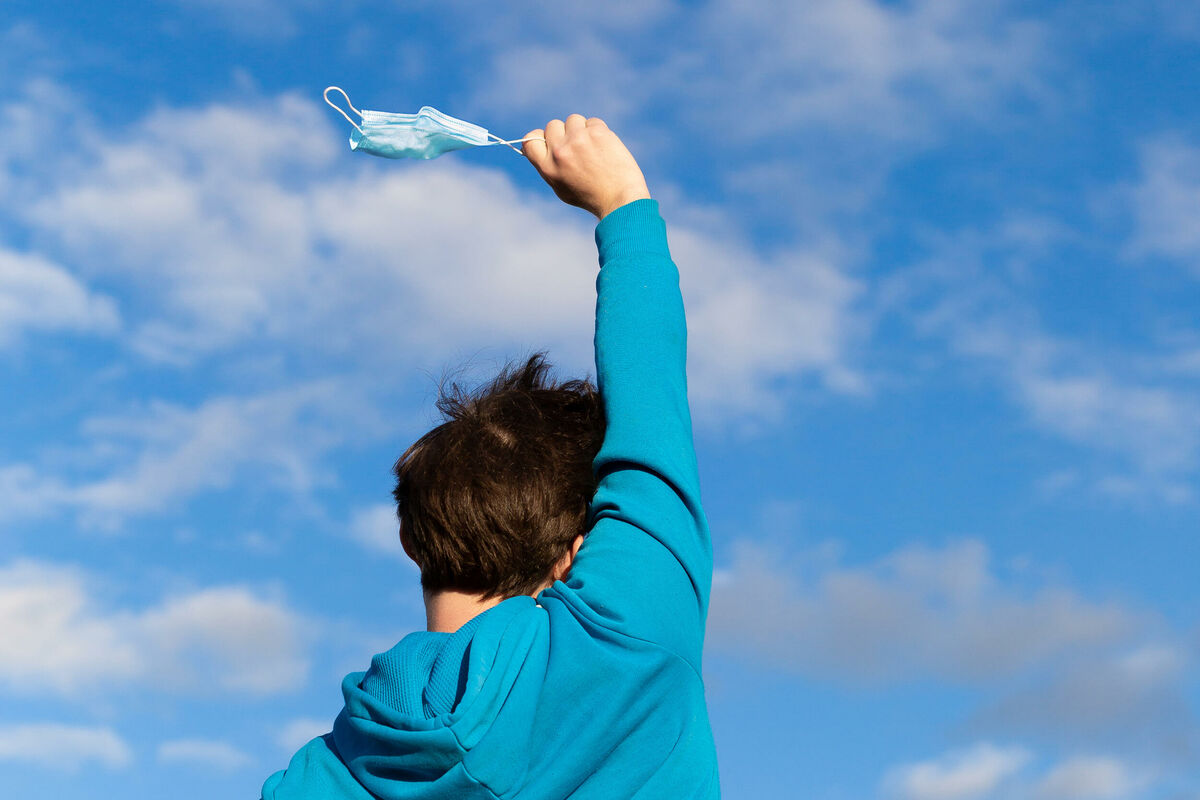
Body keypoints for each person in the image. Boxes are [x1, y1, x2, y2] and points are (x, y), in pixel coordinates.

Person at [261, 114, 719, 799]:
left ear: (411, 541)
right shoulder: (626, 642)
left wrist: (626, 205)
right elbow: (651, 410)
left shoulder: (318, 777)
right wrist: (623, 205)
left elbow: (652, 429)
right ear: (574, 554)